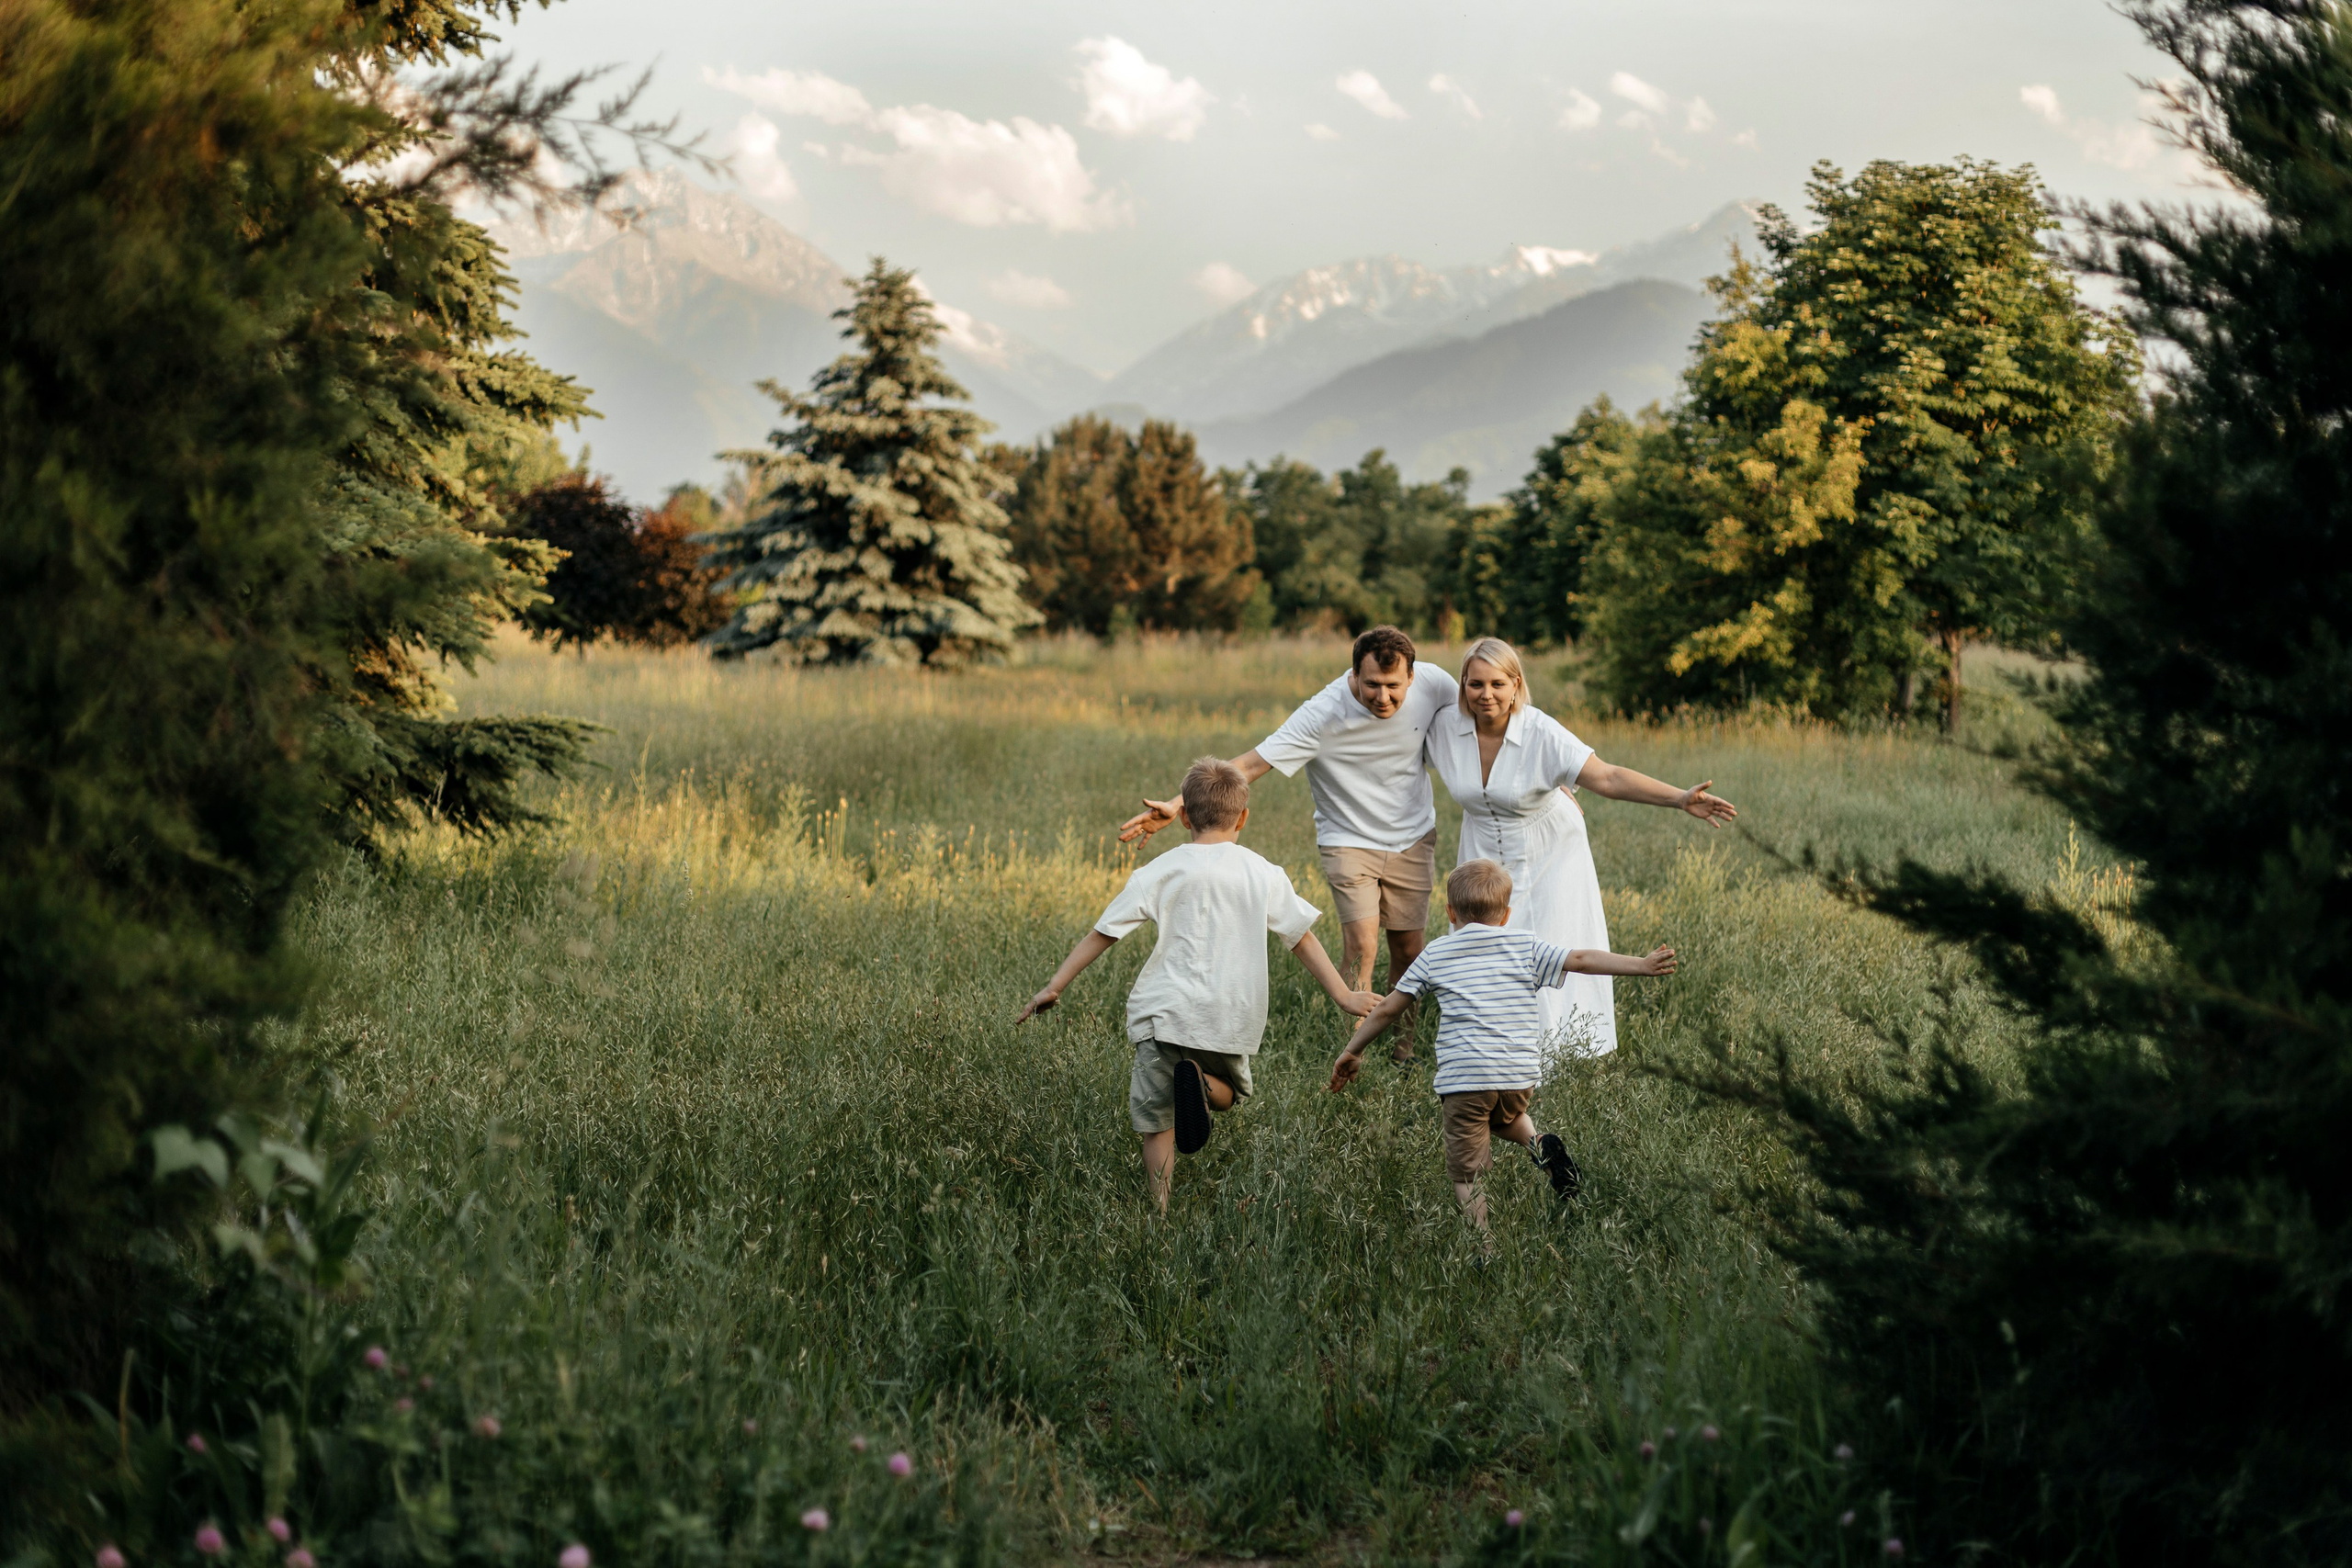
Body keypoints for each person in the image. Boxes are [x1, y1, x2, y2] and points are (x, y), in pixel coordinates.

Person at [1021, 757, 1374, 1210]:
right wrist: (1344, 995)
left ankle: (1159, 1210)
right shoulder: (1263, 872)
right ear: (1243, 818)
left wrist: (1055, 985)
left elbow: (1103, 933)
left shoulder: (1160, 870)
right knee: (1229, 1096)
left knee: (1157, 1119)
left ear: (1183, 815)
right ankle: (1204, 1087)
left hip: (1164, 1012)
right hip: (1228, 1013)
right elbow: (1300, 938)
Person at [1120, 626, 1455, 1059]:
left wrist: (1552, 774)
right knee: (1363, 945)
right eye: (1372, 685)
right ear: (1354, 674)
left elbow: (1490, 709)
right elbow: (1252, 764)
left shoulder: (1437, 683)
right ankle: (1354, 1050)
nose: (1383, 697)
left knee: (1409, 948)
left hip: (1413, 835)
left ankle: (1403, 1050)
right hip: (1347, 839)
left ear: (1412, 677)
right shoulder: (1322, 713)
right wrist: (1176, 801)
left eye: (1394, 686)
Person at [1425, 637, 1734, 1061]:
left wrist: (1679, 798)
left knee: (1550, 946)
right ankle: (1486, 1052)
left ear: (1516, 684)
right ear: (1462, 686)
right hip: (1480, 851)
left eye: (1497, 683)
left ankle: (1558, 1055)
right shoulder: (1444, 728)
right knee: (1480, 948)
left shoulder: (1539, 731)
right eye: (1475, 684)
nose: (1486, 695)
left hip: (1550, 850)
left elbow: (1607, 778)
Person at [1328, 859, 1677, 1233]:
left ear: (1450, 912)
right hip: (1518, 1076)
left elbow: (1387, 1011)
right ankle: (1541, 1145)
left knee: (1467, 1175)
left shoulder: (1436, 953)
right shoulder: (1524, 944)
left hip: (1466, 1079)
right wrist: (1640, 963)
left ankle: (1485, 1248)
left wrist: (1353, 1050)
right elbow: (1580, 959)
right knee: (1505, 1117)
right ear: (1507, 914)